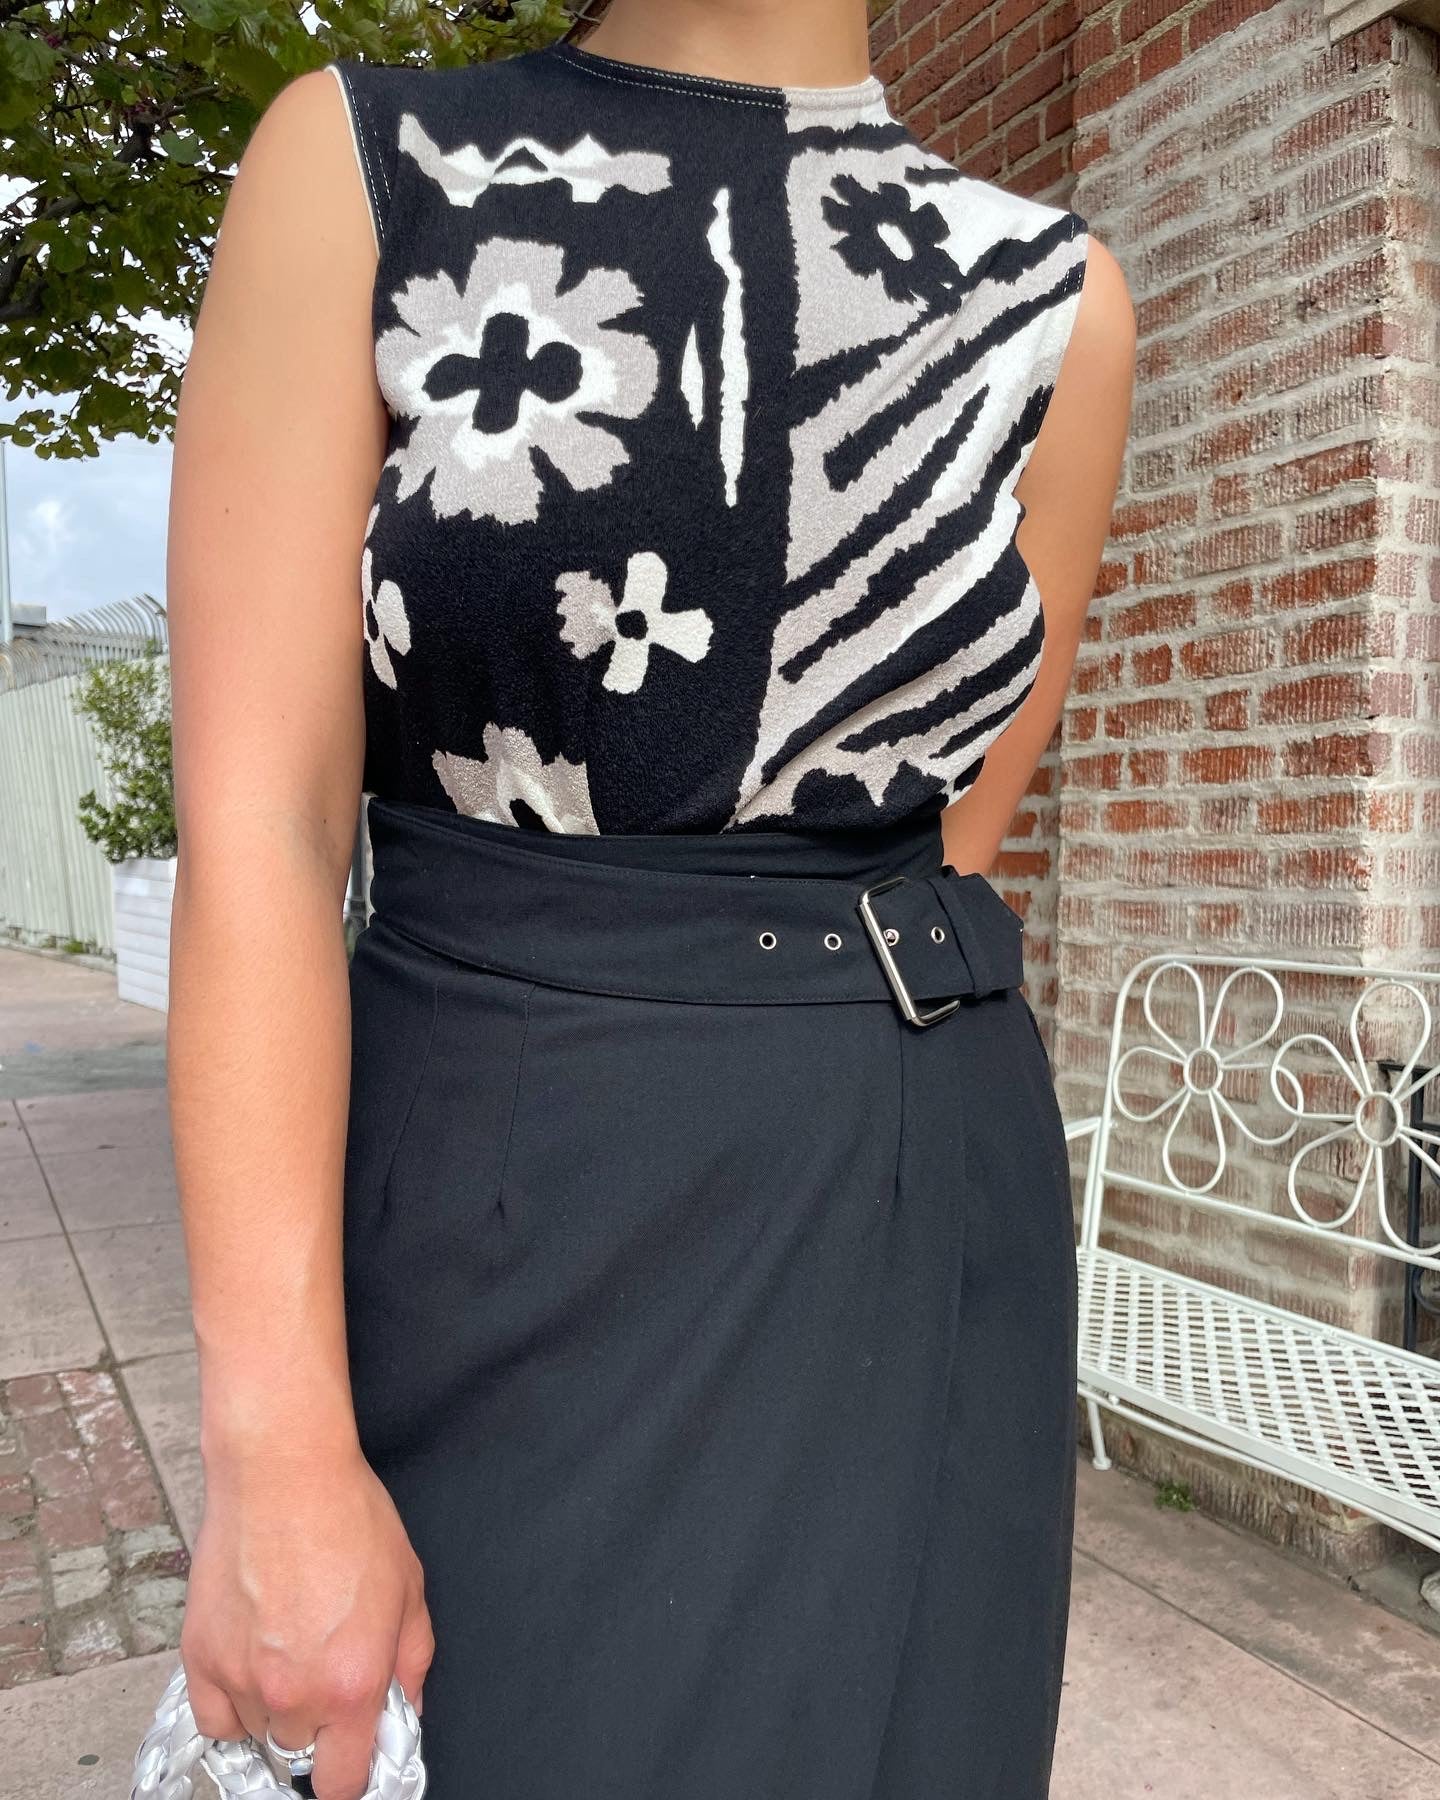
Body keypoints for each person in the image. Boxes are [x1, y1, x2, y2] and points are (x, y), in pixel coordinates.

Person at [164, 1, 1135, 1795]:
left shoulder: (1058, 302)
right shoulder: (374, 166)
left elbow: (962, 833)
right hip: (507, 1185)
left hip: (919, 1201)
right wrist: (275, 1442)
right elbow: (261, 832)